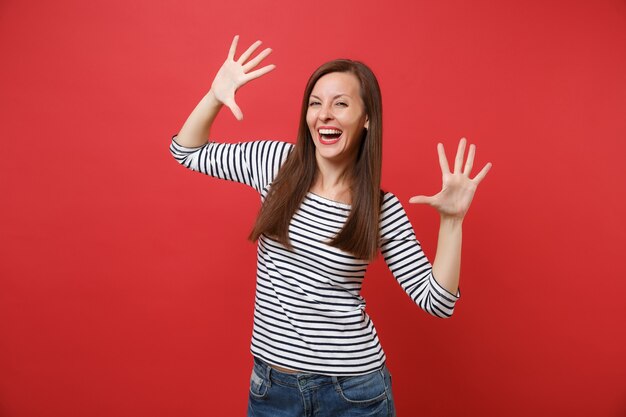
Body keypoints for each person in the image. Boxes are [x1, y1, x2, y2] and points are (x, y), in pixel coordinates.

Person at [169, 35, 491, 417]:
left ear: (367, 118)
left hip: (354, 393)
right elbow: (185, 151)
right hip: (273, 389)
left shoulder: (380, 208)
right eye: (315, 103)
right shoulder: (274, 164)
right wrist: (214, 96)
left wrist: (452, 223)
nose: (325, 115)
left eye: (341, 104)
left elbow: (437, 302)